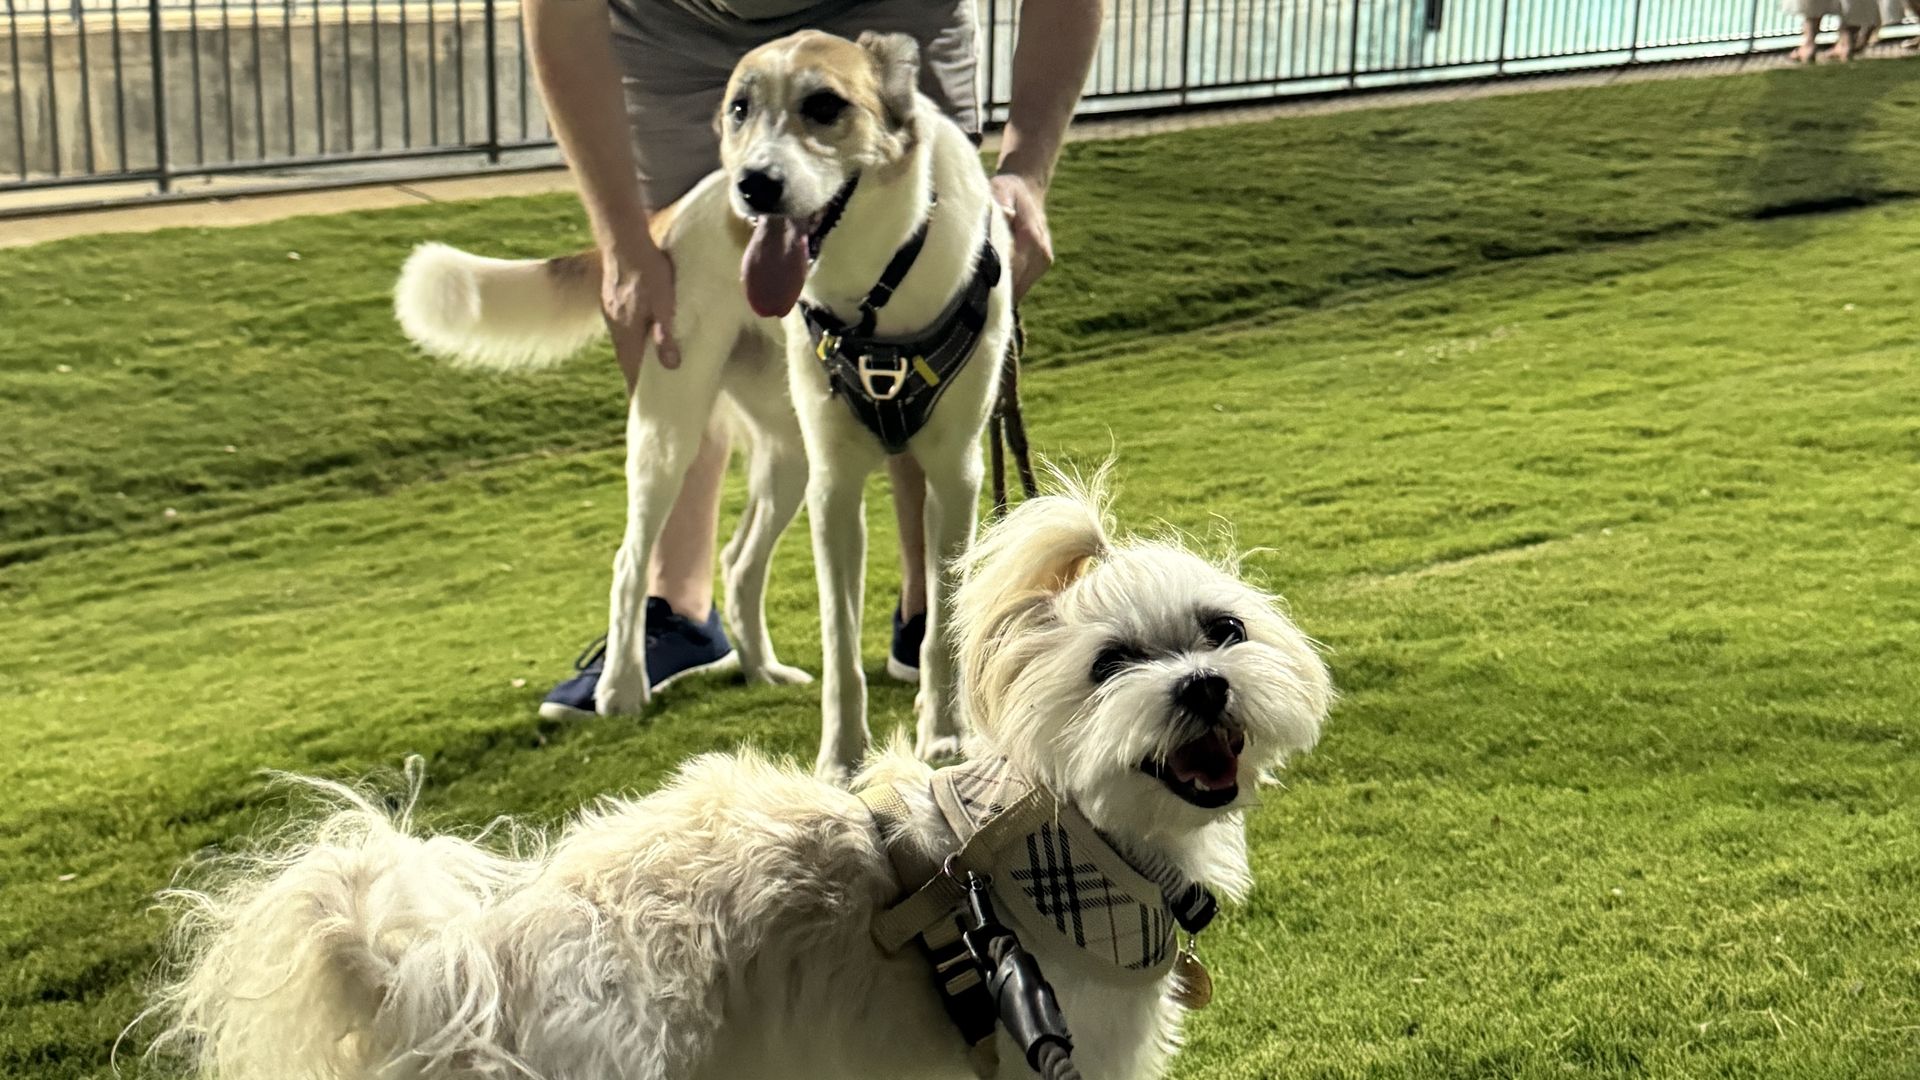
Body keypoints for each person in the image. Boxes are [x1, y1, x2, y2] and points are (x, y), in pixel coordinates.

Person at [525, 0, 1102, 719]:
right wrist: (621, 242)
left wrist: (1028, 173)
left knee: (918, 350)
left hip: (896, 13)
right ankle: (673, 610)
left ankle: (936, 624)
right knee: (681, 377)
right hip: (673, 27)